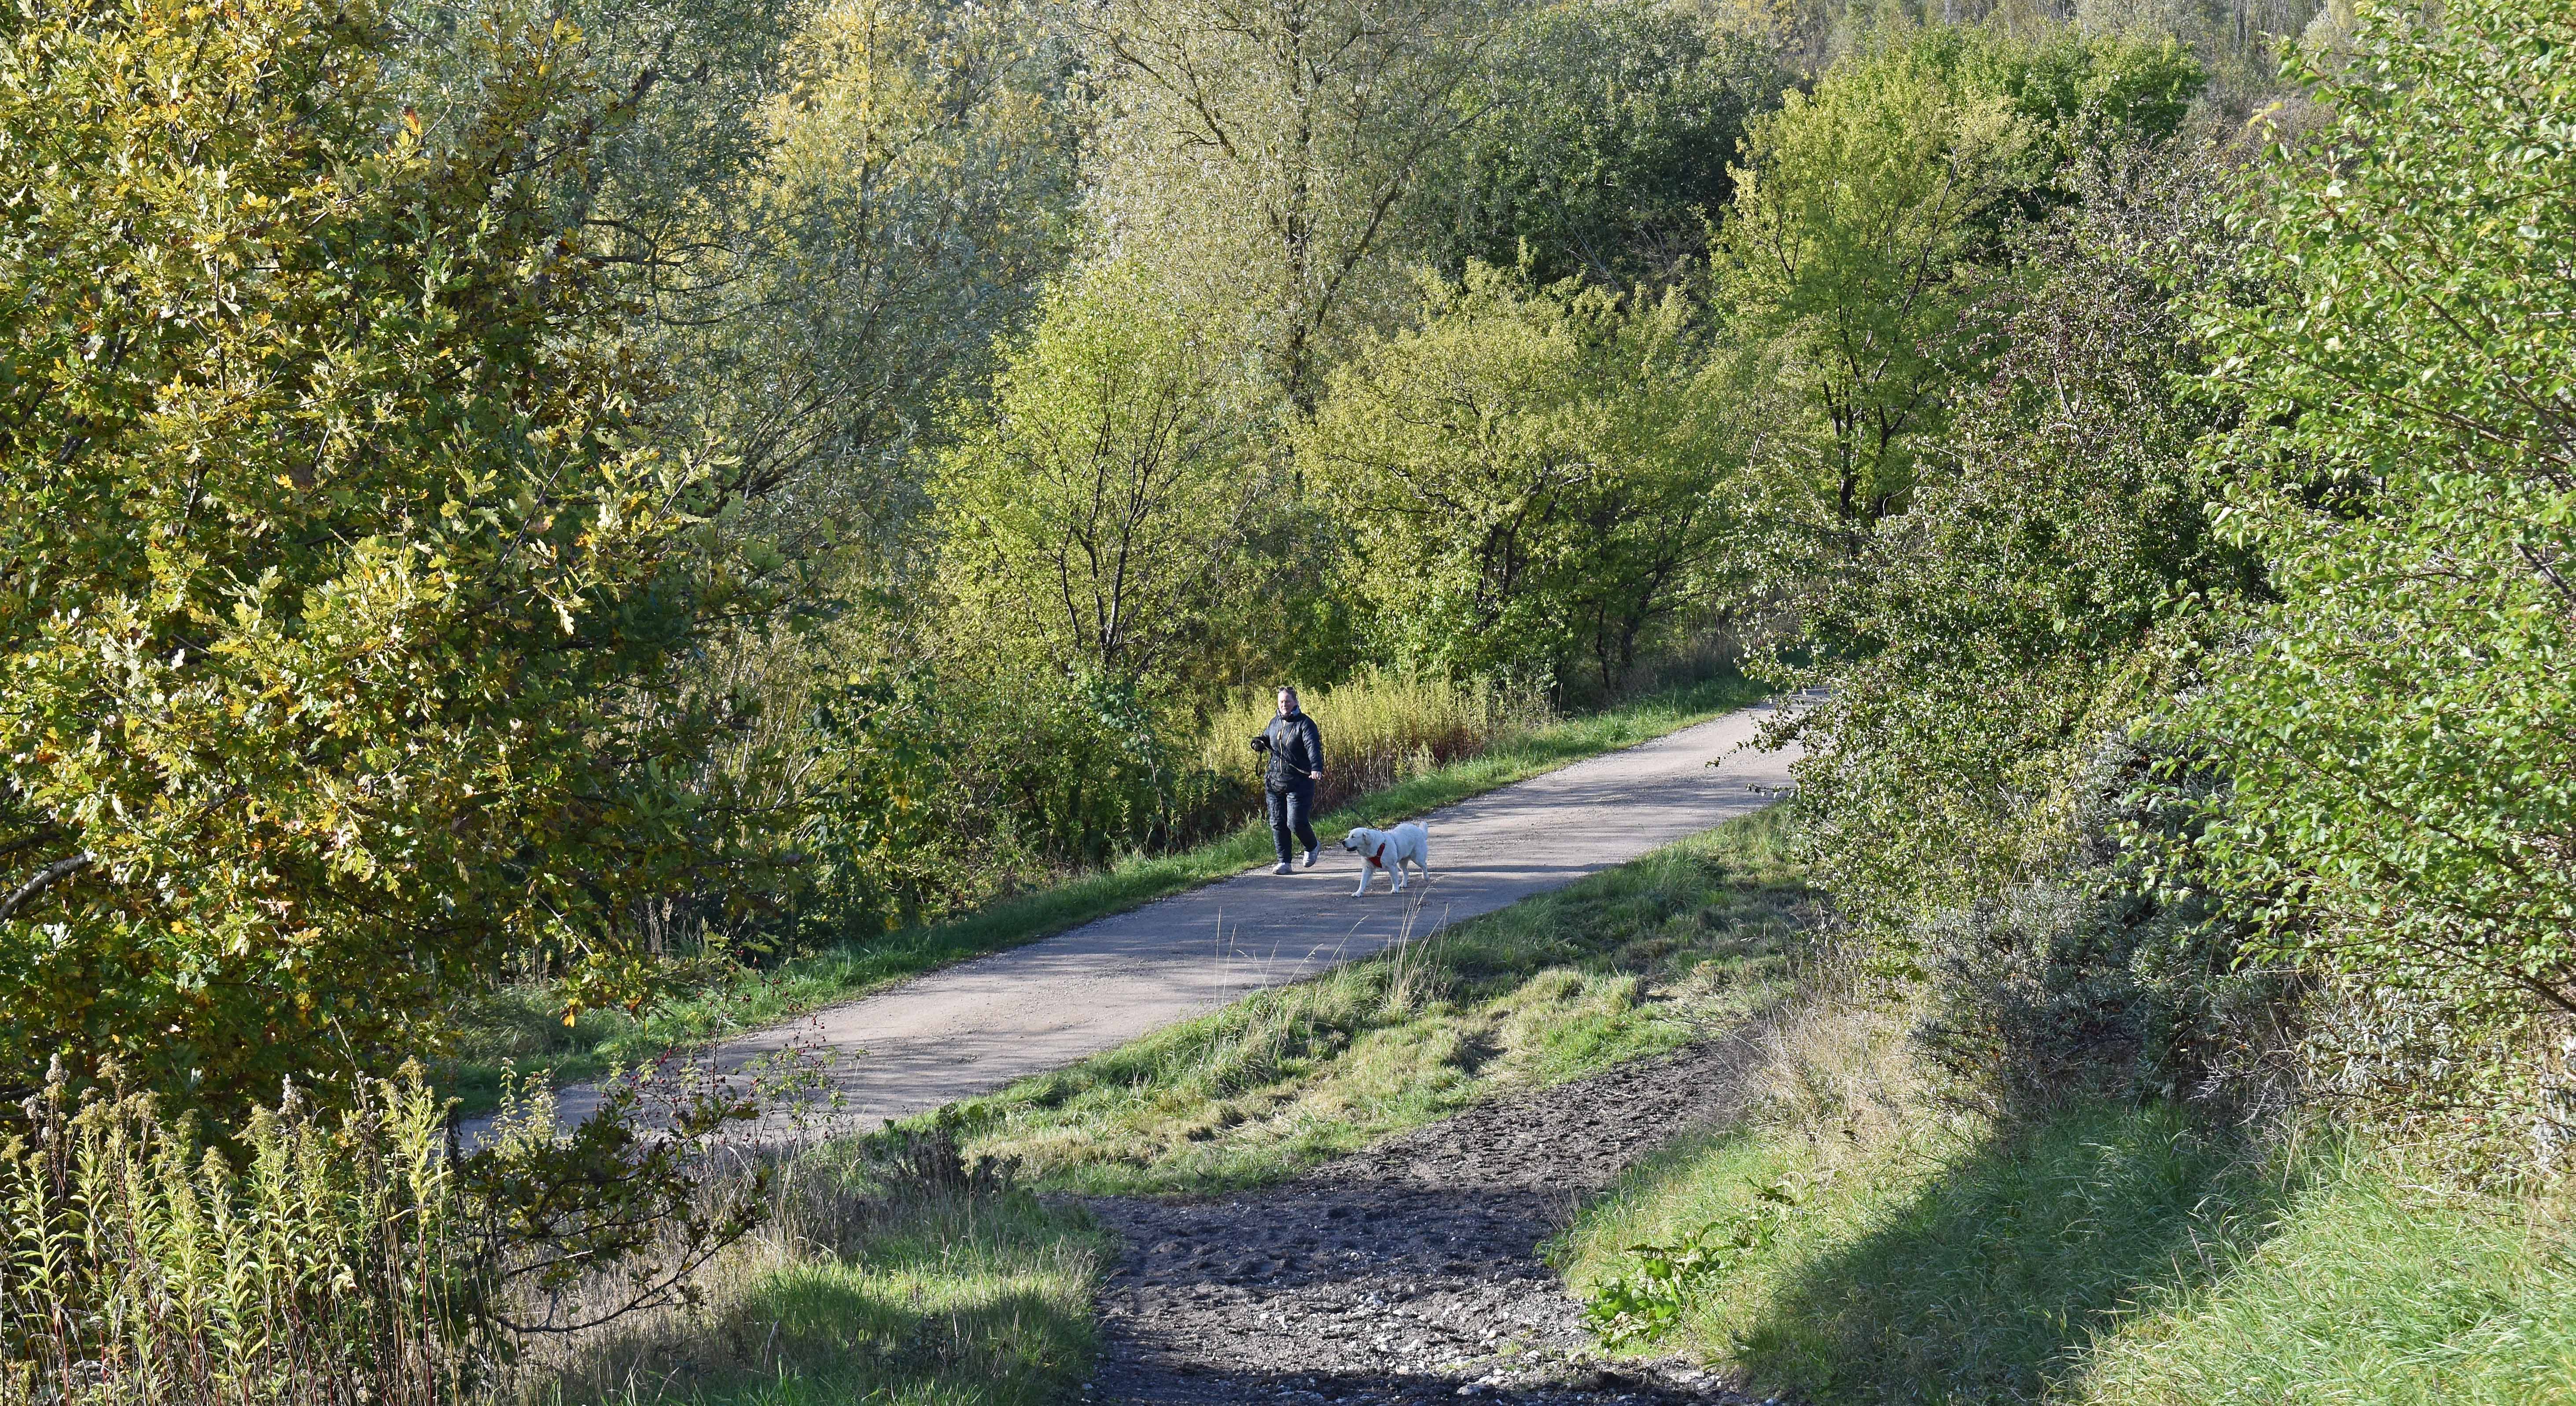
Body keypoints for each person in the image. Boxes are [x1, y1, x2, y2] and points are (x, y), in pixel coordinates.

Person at [1253, 686, 1325, 874]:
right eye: (1281, 702)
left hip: (1299, 783)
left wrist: (1316, 768)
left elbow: (1313, 748)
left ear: (1295, 702)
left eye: (1288, 701)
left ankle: (1312, 846)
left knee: (1295, 822)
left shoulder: (1305, 724)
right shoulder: (1275, 722)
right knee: (1277, 822)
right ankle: (1284, 862)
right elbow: (1267, 738)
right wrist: (1258, 742)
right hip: (1275, 781)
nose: (1284, 705)